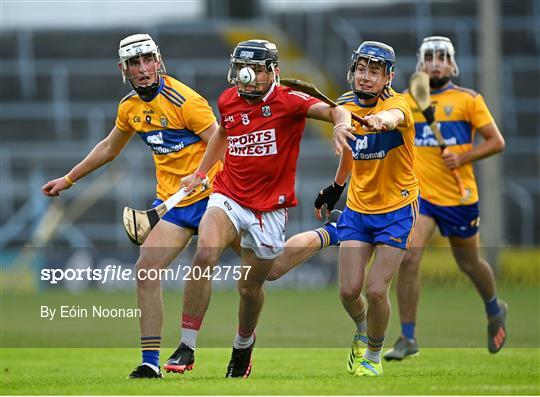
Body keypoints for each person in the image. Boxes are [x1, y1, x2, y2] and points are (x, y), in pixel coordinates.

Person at [162, 39, 351, 378]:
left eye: (252, 69)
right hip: (228, 196)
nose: (244, 76)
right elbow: (222, 131)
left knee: (254, 285)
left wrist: (340, 124)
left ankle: (243, 346)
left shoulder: (290, 101)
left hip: (269, 209)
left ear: (272, 71)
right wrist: (201, 173)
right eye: (239, 67)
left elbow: (337, 110)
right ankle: (187, 345)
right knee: (205, 252)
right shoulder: (228, 99)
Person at [42, 33, 224, 379]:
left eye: (147, 60)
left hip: (214, 197)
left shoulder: (186, 100)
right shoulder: (129, 107)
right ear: (122, 69)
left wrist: (202, 175)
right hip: (173, 206)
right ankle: (151, 362)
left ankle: (239, 341)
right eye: (134, 63)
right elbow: (110, 147)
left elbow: (221, 142)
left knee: (261, 269)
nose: (142, 69)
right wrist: (69, 179)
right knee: (146, 270)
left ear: (159, 61)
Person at [384, 36, 507, 361]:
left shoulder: (469, 100)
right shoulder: (405, 102)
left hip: (458, 196)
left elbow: (496, 142)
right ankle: (408, 337)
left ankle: (494, 308)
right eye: (429, 57)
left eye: (442, 57)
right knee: (409, 256)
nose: (436, 62)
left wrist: (463, 158)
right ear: (420, 64)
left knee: (468, 263)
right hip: (419, 197)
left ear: (452, 65)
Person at [318, 41, 419, 377]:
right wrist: (336, 188)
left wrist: (382, 121)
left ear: (388, 76)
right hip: (359, 211)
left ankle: (373, 357)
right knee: (348, 291)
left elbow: (395, 116)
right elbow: (343, 118)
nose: (365, 77)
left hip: (397, 209)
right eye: (361, 69)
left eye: (374, 71)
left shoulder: (399, 103)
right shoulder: (346, 104)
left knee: (376, 289)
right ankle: (363, 327)